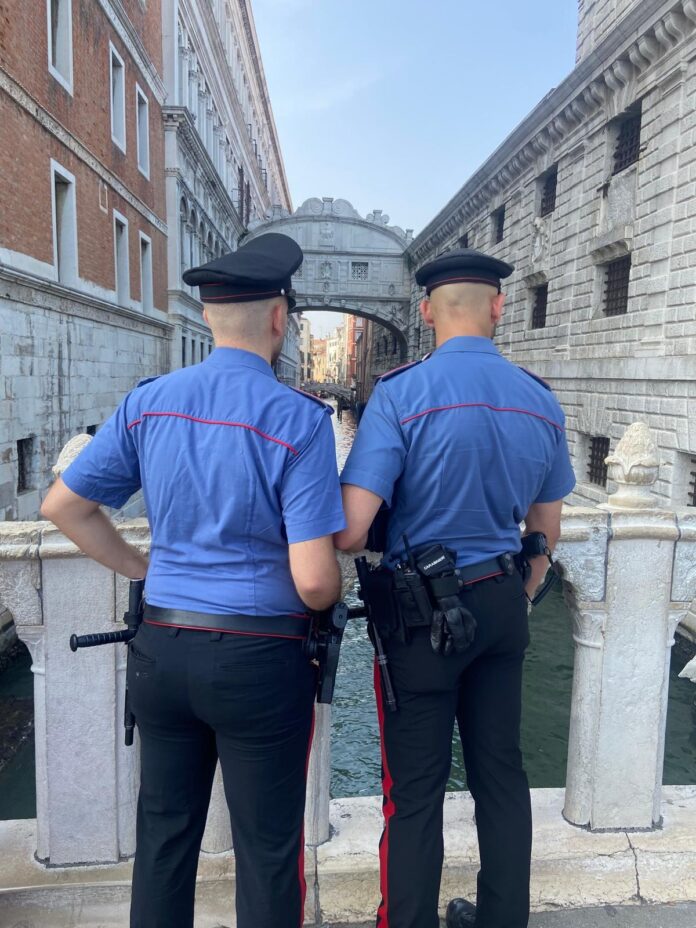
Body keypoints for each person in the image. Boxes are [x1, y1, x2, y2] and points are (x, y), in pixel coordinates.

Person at [41, 232, 346, 928]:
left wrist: (145, 569)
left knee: (164, 839)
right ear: (279, 319)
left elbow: (64, 507)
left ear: (206, 317)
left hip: (162, 648)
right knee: (268, 851)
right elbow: (314, 584)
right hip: (259, 660)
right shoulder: (298, 421)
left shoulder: (148, 402)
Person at [335, 247, 576, 928]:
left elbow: (352, 531)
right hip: (502, 603)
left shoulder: (402, 393)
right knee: (501, 776)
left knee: (415, 790)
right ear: (499, 307)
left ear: (425, 312)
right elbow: (546, 529)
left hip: (423, 618)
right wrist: (517, 592)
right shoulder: (539, 397)